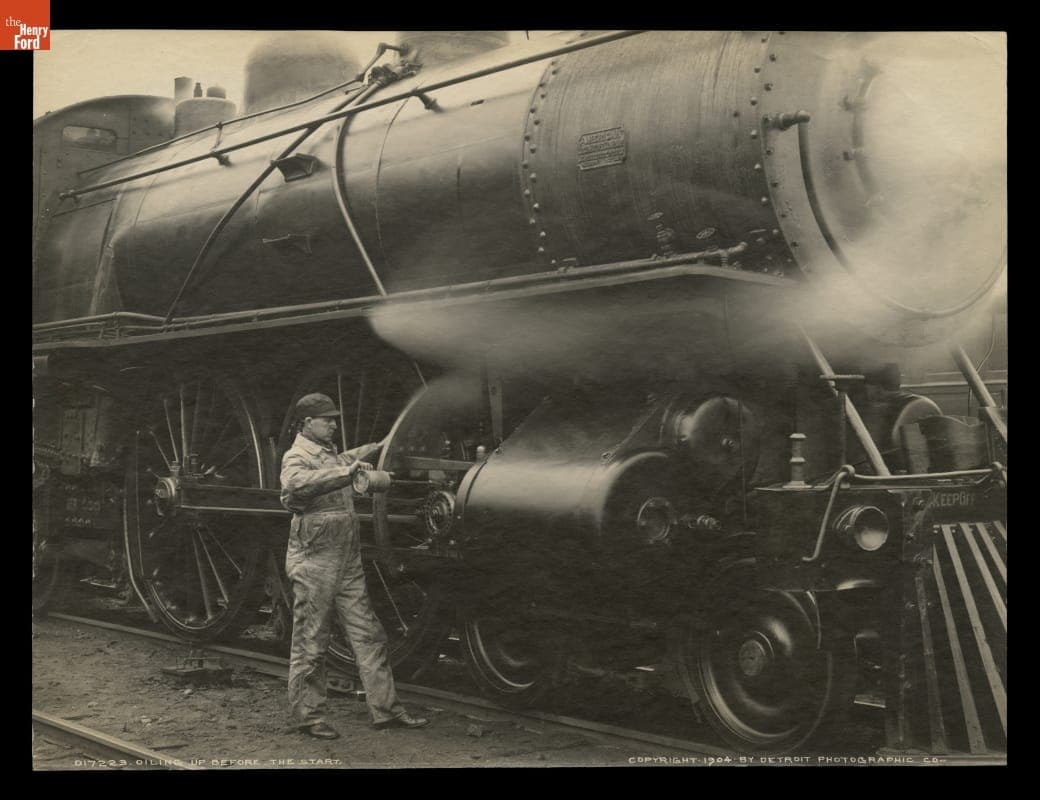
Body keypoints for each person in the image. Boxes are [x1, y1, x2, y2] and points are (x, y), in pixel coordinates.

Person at [280, 392, 429, 739]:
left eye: (334, 418)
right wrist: (345, 474)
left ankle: (386, 710)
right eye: (327, 419)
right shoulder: (297, 456)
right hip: (314, 560)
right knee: (311, 639)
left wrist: (380, 445)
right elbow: (293, 485)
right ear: (307, 423)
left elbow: (348, 458)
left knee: (369, 634)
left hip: (346, 559)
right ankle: (308, 716)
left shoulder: (330, 453)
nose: (334, 423)